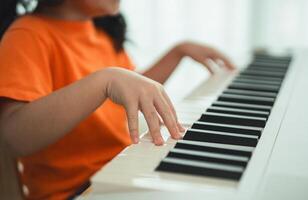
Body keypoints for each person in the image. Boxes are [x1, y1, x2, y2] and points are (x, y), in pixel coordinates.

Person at [0, 0, 235, 199]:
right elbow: (14, 137)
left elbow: (127, 90)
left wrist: (177, 52)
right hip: (77, 190)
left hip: (122, 167)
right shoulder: (27, 34)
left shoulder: (99, 29)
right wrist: (105, 80)